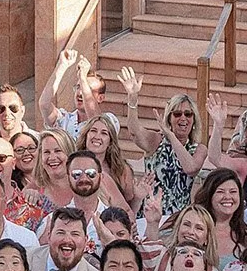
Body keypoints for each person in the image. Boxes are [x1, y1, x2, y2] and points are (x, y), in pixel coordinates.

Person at [119, 70, 206, 220]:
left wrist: (171, 136)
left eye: (188, 114)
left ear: (194, 120)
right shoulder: (157, 141)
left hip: (177, 219)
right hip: (150, 213)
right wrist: (132, 100)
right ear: (169, 118)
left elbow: (191, 168)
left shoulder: (198, 149)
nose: (183, 118)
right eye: (177, 114)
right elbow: (135, 132)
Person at [75, 111, 138, 212]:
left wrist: (139, 197)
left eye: (104, 133)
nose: (97, 136)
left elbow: (128, 207)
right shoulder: (72, 165)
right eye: (93, 131)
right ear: (86, 135)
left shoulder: (122, 169)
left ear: (110, 142)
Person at [39, 45, 107, 138]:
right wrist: (62, 65)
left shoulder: (109, 121)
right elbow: (44, 104)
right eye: (78, 87)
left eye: (86, 88)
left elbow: (96, 121)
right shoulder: (64, 119)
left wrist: (83, 77)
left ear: (100, 98)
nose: (80, 93)